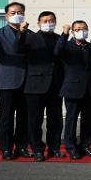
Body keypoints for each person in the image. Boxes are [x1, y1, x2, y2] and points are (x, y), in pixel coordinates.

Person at [0, 1, 31, 160]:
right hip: (7, 81)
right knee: (6, 117)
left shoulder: (30, 34)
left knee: (23, 117)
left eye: (20, 12)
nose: (17, 15)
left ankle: (22, 146)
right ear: (6, 16)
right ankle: (6, 148)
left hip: (26, 81)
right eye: (13, 13)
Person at [22, 11, 64, 161]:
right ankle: (37, 149)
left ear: (55, 22)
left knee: (56, 119)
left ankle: (54, 147)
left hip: (55, 85)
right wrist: (21, 33)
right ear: (39, 23)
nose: (48, 23)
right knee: (35, 120)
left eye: (51, 21)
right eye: (45, 21)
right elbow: (18, 49)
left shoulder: (60, 38)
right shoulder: (30, 38)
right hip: (35, 85)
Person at [55, 20, 91, 160]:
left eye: (84, 29)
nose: (81, 31)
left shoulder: (90, 46)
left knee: (89, 120)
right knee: (71, 119)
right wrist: (64, 33)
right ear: (73, 31)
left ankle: (85, 145)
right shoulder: (67, 45)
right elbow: (57, 51)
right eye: (78, 29)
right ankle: (71, 147)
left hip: (89, 89)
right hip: (72, 87)